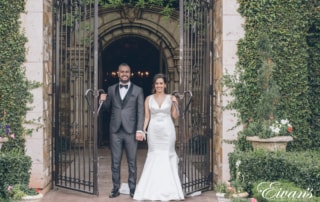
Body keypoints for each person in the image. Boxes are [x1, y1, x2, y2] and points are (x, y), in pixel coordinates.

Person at [133, 73, 185, 201]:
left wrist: (174, 104)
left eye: (161, 83)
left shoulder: (171, 98)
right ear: (154, 85)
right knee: (154, 155)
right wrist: (142, 130)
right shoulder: (148, 99)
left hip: (168, 131)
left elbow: (175, 116)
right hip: (154, 132)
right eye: (157, 83)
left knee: (167, 156)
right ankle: (151, 188)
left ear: (165, 85)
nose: (159, 86)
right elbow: (147, 117)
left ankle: (169, 190)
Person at [100, 63, 145, 198]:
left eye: (127, 72)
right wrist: (102, 100)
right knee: (115, 161)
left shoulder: (138, 90)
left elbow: (140, 112)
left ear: (130, 73)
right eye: (122, 72)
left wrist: (139, 130)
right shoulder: (111, 89)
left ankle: (132, 189)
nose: (124, 74)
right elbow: (107, 109)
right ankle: (115, 188)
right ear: (118, 73)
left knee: (132, 161)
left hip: (131, 131)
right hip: (115, 130)